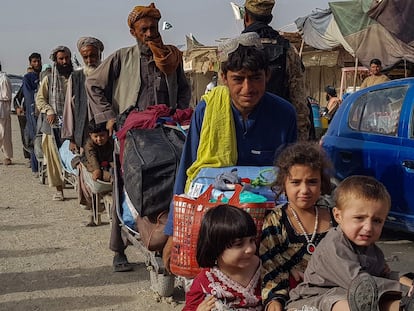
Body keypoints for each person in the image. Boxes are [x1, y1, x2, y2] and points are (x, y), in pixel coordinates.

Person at [163, 32, 298, 272]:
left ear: (267, 75)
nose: (248, 88)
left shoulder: (284, 114)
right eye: (238, 79)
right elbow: (188, 171)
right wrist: (174, 232)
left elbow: (293, 176)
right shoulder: (206, 111)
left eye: (256, 78)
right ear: (223, 77)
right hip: (217, 223)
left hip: (267, 223)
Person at [86, 3, 191, 272]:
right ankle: (118, 249)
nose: (149, 33)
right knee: (125, 188)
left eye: (153, 28)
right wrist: (109, 116)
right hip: (132, 133)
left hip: (165, 131)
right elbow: (93, 84)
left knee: (176, 178)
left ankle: (167, 235)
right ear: (132, 31)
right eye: (143, 29)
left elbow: (183, 91)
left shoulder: (171, 57)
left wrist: (177, 112)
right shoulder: (122, 57)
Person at [287, 175, 414, 311]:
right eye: (359, 218)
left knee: (386, 300)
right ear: (338, 216)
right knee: (351, 303)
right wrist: (403, 289)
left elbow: (385, 276)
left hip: (355, 295)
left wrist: (409, 284)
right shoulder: (335, 246)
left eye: (377, 221)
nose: (368, 227)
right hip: (311, 301)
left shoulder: (374, 251)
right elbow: (361, 283)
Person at [260, 141, 334, 311]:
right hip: (294, 297)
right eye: (295, 182)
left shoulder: (335, 218)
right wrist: (275, 300)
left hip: (333, 293)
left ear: (322, 183)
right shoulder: (275, 220)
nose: (304, 189)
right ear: (283, 184)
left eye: (312, 182)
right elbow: (270, 265)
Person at [242, 0, 310, 141]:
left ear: (246, 18)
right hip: (279, 135)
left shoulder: (234, 50)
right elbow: (299, 103)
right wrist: (300, 145)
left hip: (242, 137)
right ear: (270, 19)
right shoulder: (288, 50)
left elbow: (223, 99)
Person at [183, 204, 262, 310]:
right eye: (239, 244)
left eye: (252, 240)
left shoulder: (266, 270)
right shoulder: (205, 281)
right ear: (216, 248)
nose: (250, 249)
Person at [36, 46, 73, 201]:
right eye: (61, 59)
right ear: (55, 61)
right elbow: (40, 99)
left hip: (72, 123)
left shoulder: (76, 76)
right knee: (54, 158)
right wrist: (49, 110)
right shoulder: (49, 79)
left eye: (66, 58)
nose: (64, 62)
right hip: (53, 124)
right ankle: (59, 190)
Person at [62, 36, 105, 154]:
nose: (89, 60)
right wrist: (71, 138)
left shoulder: (108, 74)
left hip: (105, 132)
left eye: (93, 56)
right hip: (83, 131)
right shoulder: (76, 77)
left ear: (100, 55)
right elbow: (69, 108)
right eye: (85, 57)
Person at [22, 53, 42, 176]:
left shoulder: (44, 75)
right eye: (34, 61)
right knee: (36, 137)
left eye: (38, 61)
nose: (37, 64)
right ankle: (36, 167)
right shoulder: (27, 78)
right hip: (33, 111)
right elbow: (29, 95)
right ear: (30, 63)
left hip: (44, 110)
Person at [0, 62, 13, 165]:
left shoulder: (3, 79)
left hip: (3, 109)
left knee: (4, 133)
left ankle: (7, 156)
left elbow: (6, 96)